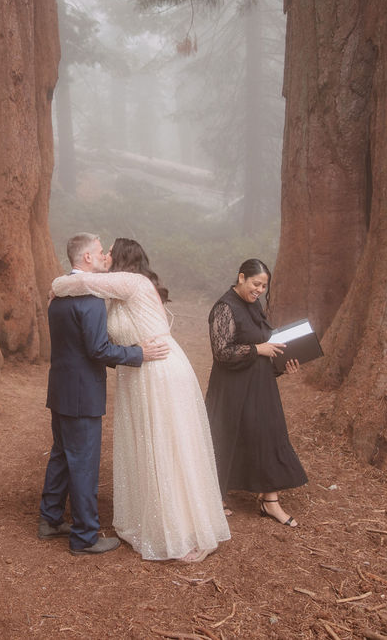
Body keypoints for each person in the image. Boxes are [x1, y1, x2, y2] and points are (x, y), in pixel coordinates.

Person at [51, 238, 231, 562]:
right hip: (139, 372)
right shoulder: (117, 293)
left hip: (159, 370)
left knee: (167, 447)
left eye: (109, 253)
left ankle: (181, 530)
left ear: (120, 260)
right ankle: (154, 519)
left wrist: (57, 287)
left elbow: (79, 280)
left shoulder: (133, 282)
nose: (104, 256)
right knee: (147, 447)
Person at [39, 233, 170, 556]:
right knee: (83, 464)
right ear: (86, 258)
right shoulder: (90, 298)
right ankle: (84, 536)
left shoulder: (59, 294)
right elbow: (98, 349)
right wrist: (139, 354)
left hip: (60, 389)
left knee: (61, 455)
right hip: (83, 394)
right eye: (99, 252)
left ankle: (51, 518)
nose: (103, 257)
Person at [205, 258, 308, 527]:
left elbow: (267, 345)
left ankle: (269, 500)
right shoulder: (224, 307)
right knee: (226, 438)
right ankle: (215, 496)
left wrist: (284, 364)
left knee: (269, 435)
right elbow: (222, 352)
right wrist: (257, 350)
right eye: (255, 283)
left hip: (260, 386)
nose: (260, 290)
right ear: (241, 277)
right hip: (232, 388)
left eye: (264, 286)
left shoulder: (255, 306)